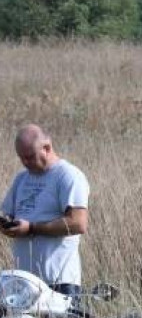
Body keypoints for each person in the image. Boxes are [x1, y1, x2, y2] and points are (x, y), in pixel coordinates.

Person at [0, 125, 89, 295]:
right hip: (23, 281)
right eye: (21, 158)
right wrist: (7, 226)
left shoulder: (68, 175)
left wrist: (32, 228)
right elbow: (7, 213)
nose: (25, 163)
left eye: (29, 157)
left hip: (59, 281)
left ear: (46, 148)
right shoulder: (21, 178)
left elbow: (78, 223)